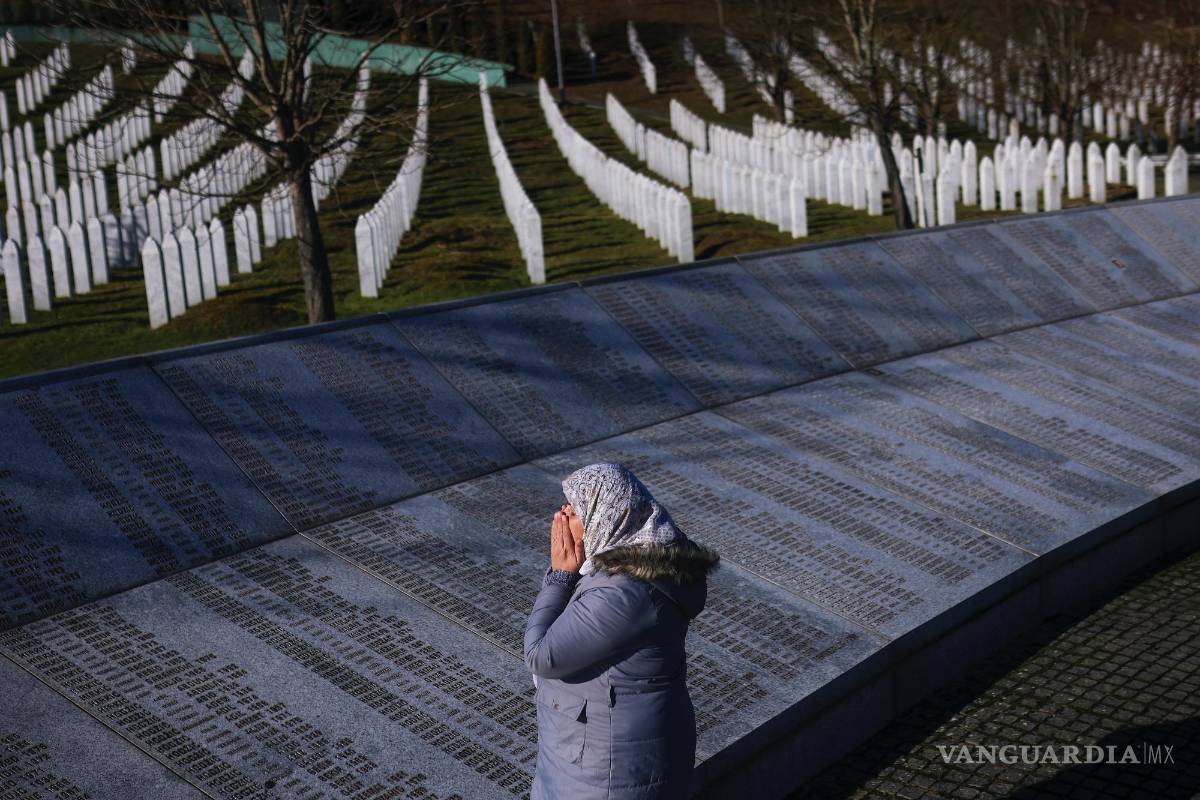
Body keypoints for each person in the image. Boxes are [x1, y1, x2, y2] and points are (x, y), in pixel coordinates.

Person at [524, 462, 721, 800]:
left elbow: (541, 656)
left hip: (606, 771)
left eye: (575, 508)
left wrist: (560, 576)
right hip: (601, 753)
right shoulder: (632, 568)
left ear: (607, 516)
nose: (562, 514)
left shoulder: (625, 593)